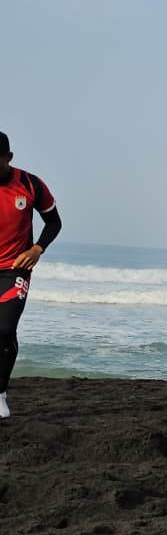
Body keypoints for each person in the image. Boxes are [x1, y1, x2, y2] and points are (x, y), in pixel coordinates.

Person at [0, 131, 63, 419]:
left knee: (4, 330)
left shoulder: (30, 184)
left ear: (8, 158)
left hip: (15, 270)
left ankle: (0, 392)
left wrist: (38, 249)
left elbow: (53, 222)